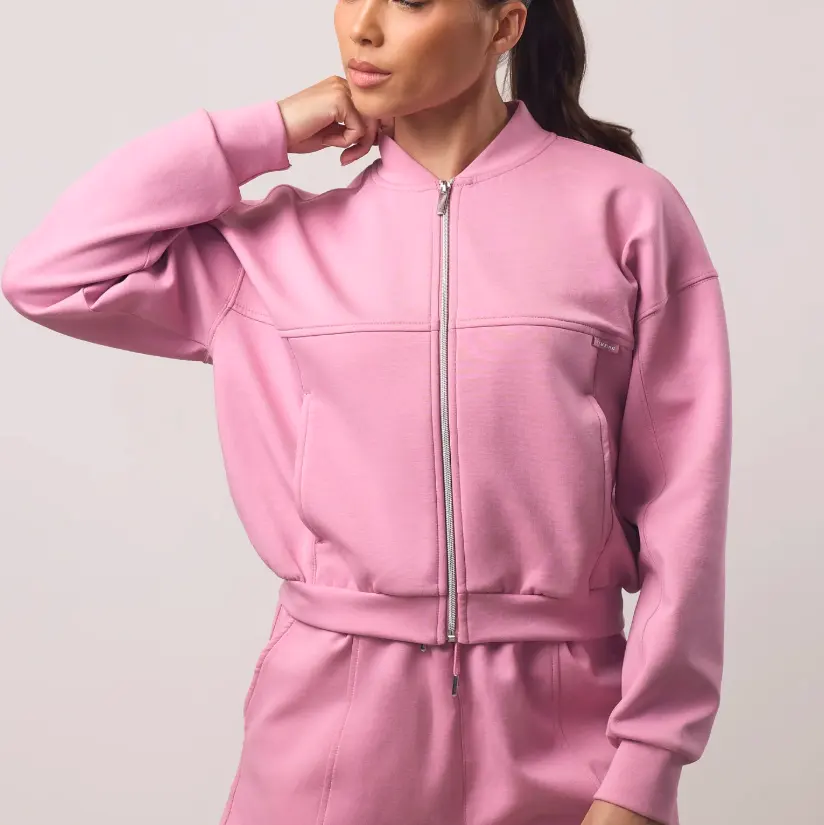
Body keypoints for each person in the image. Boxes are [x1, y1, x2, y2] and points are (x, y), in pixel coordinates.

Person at [0, 1, 733, 824]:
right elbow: (49, 273)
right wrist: (264, 132)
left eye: (411, 0)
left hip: (567, 727)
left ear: (504, 25)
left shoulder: (626, 213)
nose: (363, 27)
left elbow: (684, 508)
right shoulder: (273, 252)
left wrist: (645, 768)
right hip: (330, 730)